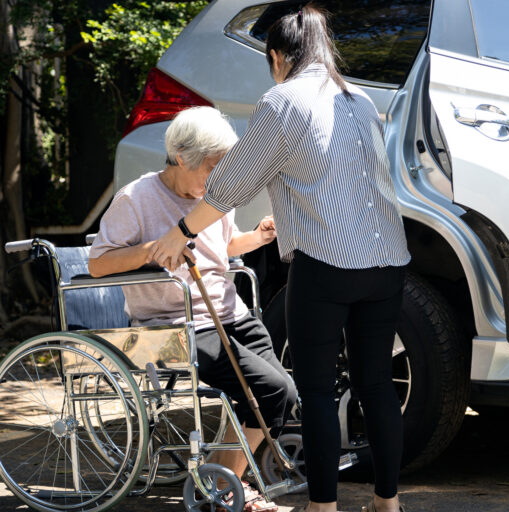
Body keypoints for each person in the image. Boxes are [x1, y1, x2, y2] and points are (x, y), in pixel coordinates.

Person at [148, 5, 411, 512]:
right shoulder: (358, 100)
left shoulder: (282, 101)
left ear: (277, 57)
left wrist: (181, 231)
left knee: (314, 391)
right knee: (375, 384)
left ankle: (323, 507)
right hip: (387, 262)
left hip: (327, 264)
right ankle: (387, 503)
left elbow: (231, 183)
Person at [88, 106, 296, 512]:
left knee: (281, 392)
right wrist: (154, 250)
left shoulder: (213, 196)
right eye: (212, 168)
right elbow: (98, 263)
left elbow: (220, 249)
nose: (217, 179)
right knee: (273, 391)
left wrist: (255, 238)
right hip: (172, 328)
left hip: (229, 315)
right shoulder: (136, 198)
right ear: (182, 157)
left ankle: (222, 478)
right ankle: (226, 484)